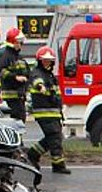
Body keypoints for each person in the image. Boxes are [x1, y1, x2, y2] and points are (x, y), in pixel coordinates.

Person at [27, 46, 71, 174]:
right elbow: (37, 81)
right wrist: (41, 87)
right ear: (40, 61)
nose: (47, 63)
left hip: (53, 112)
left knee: (54, 137)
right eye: (45, 61)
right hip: (44, 112)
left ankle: (33, 154)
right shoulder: (37, 73)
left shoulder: (50, 75)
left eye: (49, 61)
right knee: (55, 137)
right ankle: (58, 165)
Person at [0, 28, 29, 121]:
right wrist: (15, 77)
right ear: (13, 42)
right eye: (18, 42)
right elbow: (1, 71)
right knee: (17, 119)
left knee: (21, 118)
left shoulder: (17, 56)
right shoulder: (6, 55)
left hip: (19, 94)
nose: (20, 45)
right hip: (11, 95)